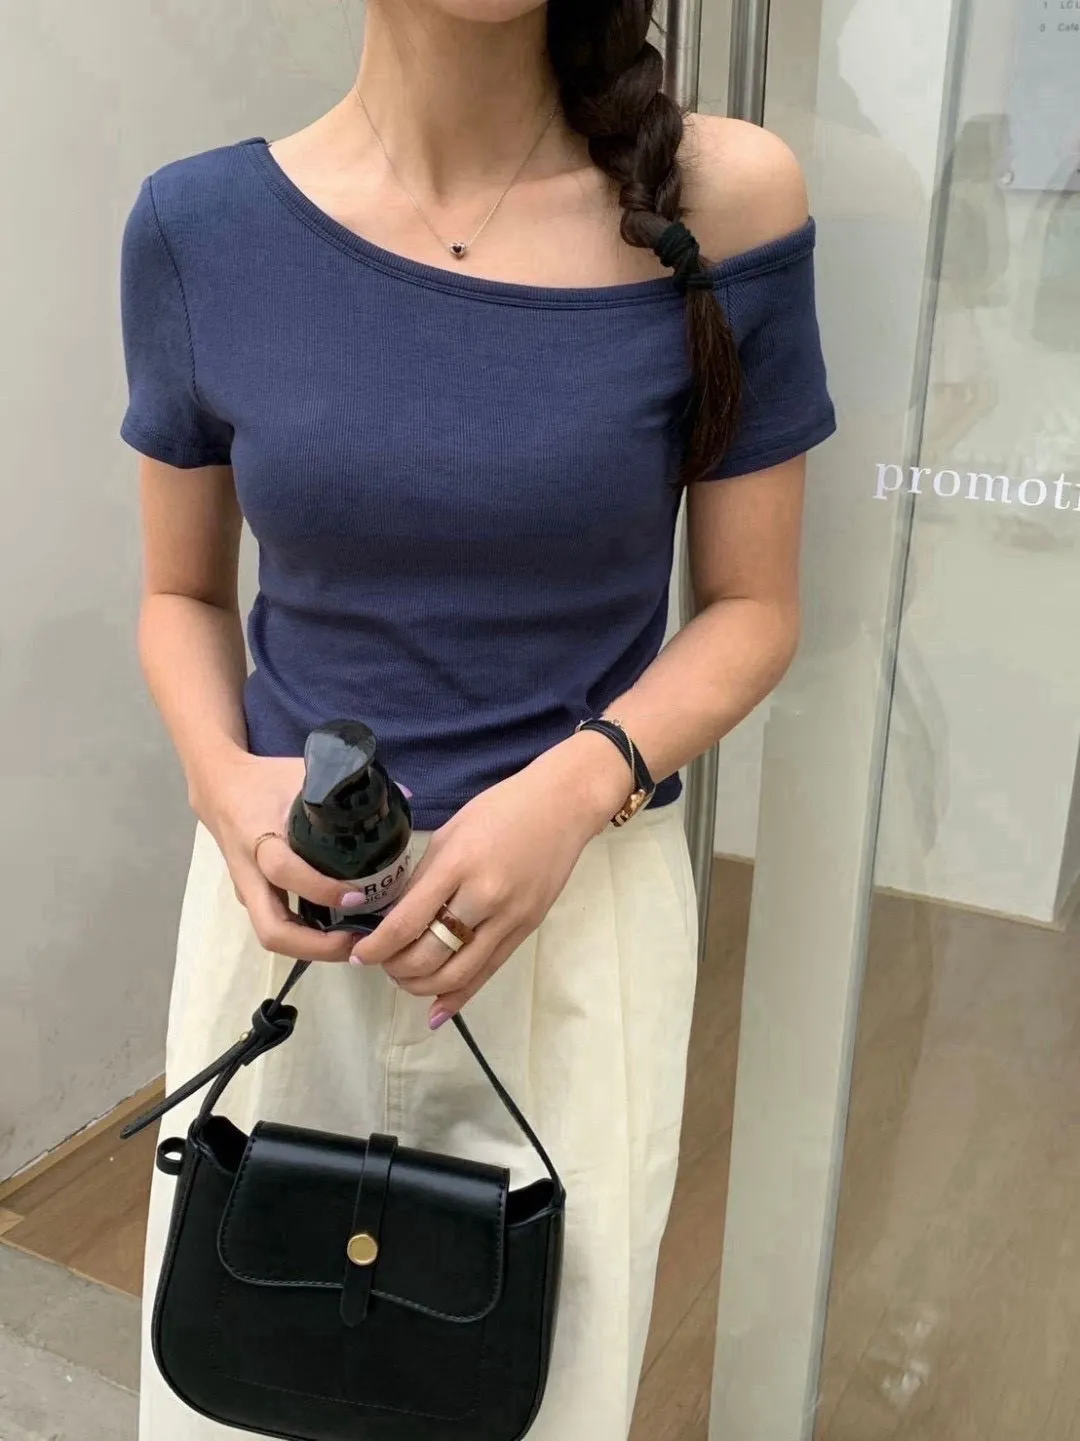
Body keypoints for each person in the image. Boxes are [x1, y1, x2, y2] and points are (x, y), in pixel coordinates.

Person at [119, 2, 836, 1437]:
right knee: (238, 1392)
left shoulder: (726, 201)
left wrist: (573, 789)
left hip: (574, 926)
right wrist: (224, 783)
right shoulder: (199, 226)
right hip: (286, 928)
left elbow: (754, 607)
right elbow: (180, 594)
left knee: (538, 1401)